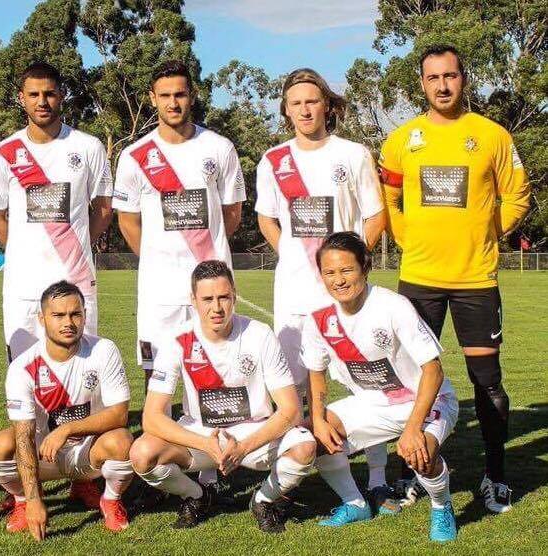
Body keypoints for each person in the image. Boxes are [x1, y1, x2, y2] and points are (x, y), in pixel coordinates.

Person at [379, 44, 530, 513]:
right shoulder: (401, 140)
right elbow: (387, 200)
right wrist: (408, 239)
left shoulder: (493, 135)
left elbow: (518, 196)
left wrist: (486, 233)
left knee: (487, 382)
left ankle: (495, 476)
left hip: (475, 280)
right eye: (433, 77)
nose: (442, 86)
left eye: (450, 76)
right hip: (419, 278)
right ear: (421, 83)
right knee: (409, 379)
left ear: (464, 78)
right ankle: (407, 473)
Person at [254, 68, 392, 511]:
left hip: (345, 294)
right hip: (294, 295)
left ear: (327, 105)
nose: (304, 110)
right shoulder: (273, 160)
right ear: (285, 110)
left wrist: (349, 263)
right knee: (294, 389)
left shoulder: (353, 154)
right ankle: (293, 477)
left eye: (312, 101)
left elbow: (375, 215)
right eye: (295, 103)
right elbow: (266, 218)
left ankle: (377, 480)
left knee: (367, 384)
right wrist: (291, 254)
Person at [113, 59, 246, 491]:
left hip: (211, 286)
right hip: (160, 290)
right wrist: (157, 258)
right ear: (152, 99)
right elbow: (127, 221)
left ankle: (216, 467)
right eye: (165, 95)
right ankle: (163, 465)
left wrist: (205, 261)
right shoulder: (135, 156)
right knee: (158, 376)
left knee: (214, 371)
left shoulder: (219, 148)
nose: (173, 102)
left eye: (181, 94)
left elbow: (231, 214)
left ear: (193, 96)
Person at [130, 260, 316, 533]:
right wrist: (204, 444)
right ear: (193, 300)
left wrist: (243, 447)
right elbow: (151, 418)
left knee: (305, 448)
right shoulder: (177, 340)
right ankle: (197, 496)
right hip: (202, 435)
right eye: (207, 299)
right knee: (142, 453)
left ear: (234, 295)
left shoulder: (259, 334)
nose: (216, 308)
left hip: (253, 432)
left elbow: (292, 410)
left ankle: (264, 500)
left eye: (223, 297)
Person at [301, 232, 459, 542]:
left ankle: (442, 506)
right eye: (330, 272)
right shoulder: (319, 318)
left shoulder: (393, 306)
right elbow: (316, 373)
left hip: (426, 401)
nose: (339, 280)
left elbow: (433, 371)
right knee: (308, 437)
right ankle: (355, 503)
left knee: (419, 454)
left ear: (365, 267)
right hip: (372, 405)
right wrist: (318, 419)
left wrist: (413, 428)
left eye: (347, 270)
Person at [0, 61, 113, 362]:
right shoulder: (2, 153)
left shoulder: (88, 147)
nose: (42, 102)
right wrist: (23, 248)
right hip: (23, 285)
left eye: (49, 94)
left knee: (81, 369)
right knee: (24, 370)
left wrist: (76, 245)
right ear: (21, 98)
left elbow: (104, 210)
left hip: (76, 280)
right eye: (34, 94)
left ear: (61, 95)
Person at [0, 281, 134, 540]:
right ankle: (21, 501)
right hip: (43, 456)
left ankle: (110, 499)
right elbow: (24, 436)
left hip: (87, 453)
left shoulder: (103, 350)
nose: (68, 322)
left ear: (85, 315)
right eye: (58, 315)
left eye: (75, 314)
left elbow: (120, 414)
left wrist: (67, 429)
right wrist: (33, 500)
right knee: (1, 445)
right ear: (42, 319)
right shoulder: (23, 367)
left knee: (122, 440)